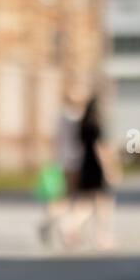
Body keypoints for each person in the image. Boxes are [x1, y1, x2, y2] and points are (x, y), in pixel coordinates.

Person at [61, 96, 118, 251]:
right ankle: (102, 237)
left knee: (85, 203)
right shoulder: (97, 125)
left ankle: (70, 226)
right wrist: (110, 169)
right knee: (103, 203)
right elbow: (101, 149)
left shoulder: (82, 124)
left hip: (84, 165)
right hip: (97, 167)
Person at [39, 87, 86, 248]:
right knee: (80, 200)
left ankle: (51, 221)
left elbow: (55, 141)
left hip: (62, 161)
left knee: (61, 198)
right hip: (77, 162)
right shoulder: (79, 118)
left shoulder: (60, 117)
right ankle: (69, 230)